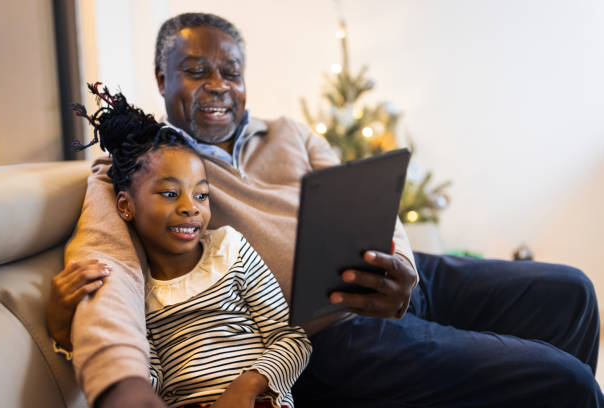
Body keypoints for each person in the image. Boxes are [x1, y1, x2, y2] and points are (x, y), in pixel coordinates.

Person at [48, 12, 602, 408]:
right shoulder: (142, 169)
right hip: (329, 332)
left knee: (571, 293)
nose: (219, 85)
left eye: (232, 71)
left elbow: (373, 206)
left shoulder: (289, 132)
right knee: (566, 384)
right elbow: (108, 275)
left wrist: (401, 266)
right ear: (162, 80)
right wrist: (124, 389)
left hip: (393, 279)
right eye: (196, 70)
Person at [61, 83, 311, 408]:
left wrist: (249, 386)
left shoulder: (230, 249)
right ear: (125, 206)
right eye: (169, 193)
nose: (190, 207)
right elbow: (150, 379)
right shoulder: (138, 293)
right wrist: (61, 325)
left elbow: (292, 339)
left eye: (201, 195)